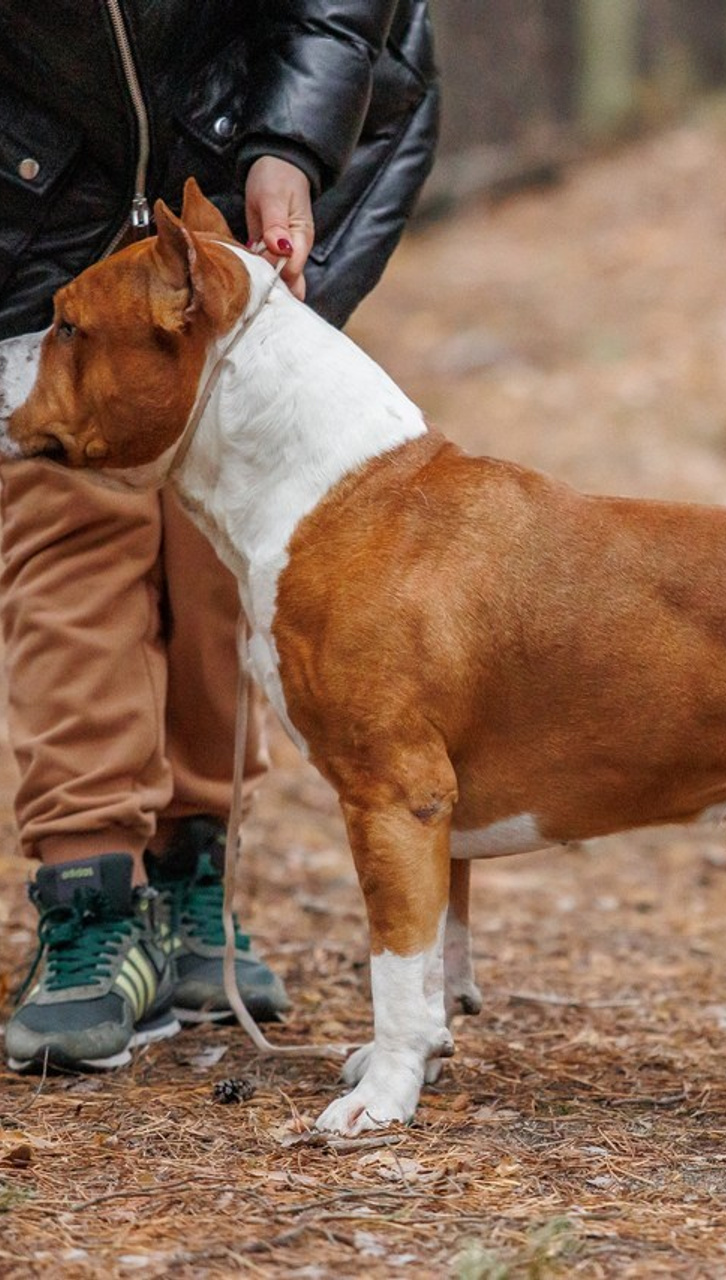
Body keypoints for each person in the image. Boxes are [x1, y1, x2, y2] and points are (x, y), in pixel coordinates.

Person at [0, 0, 440, 1072]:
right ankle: (91, 893)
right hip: (31, 181)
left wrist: (292, 144)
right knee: (65, 517)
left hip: (267, 140)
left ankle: (194, 870)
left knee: (224, 539)